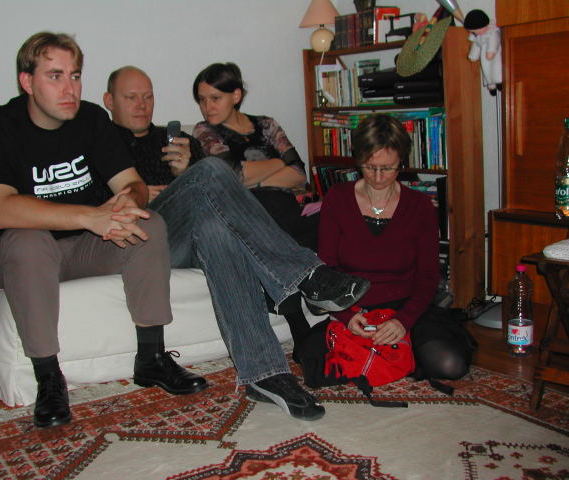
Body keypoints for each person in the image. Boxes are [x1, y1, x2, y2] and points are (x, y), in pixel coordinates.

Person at [103, 66, 370, 421]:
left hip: (187, 235)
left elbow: (219, 199)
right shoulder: (100, 141)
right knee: (213, 170)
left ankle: (264, 373)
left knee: (217, 228)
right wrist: (136, 197)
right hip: (144, 237)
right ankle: (308, 275)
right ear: (109, 101)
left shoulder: (177, 140)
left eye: (148, 96)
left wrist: (184, 174)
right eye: (131, 97)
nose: (142, 104)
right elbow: (93, 204)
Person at [0, 33, 207, 429]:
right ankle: (49, 379)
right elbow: (0, 210)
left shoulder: (92, 119)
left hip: (83, 248)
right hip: (16, 254)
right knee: (29, 240)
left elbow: (131, 184)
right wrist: (89, 216)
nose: (70, 89)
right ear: (27, 82)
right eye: (55, 76)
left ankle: (151, 358)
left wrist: (127, 205)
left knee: (148, 223)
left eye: (75, 76)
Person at [317, 114, 474, 381]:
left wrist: (403, 321)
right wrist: (345, 315)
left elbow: (428, 276)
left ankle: (401, 351)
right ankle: (397, 357)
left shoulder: (420, 206)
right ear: (358, 160)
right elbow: (326, 270)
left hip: (407, 306)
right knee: (326, 366)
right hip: (354, 307)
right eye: (370, 167)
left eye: (388, 168)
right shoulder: (338, 198)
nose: (378, 177)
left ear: (402, 161)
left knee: (450, 365)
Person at [191, 62, 320, 361]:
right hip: (247, 211)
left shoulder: (267, 124)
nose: (207, 107)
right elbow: (232, 177)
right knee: (268, 214)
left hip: (284, 207)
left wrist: (257, 178)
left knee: (324, 219)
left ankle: (307, 299)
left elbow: (299, 173)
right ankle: (300, 320)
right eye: (202, 99)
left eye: (215, 98)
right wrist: (277, 164)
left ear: (236, 95)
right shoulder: (204, 132)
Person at [463, 9, 502, 96]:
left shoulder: (492, 33)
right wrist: (472, 56)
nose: (473, 34)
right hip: (485, 59)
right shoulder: (477, 36)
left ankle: (499, 81)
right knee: (486, 71)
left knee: (496, 68)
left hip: (495, 57)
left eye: (473, 31)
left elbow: (494, 42)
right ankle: (491, 86)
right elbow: (476, 46)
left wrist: (491, 51)